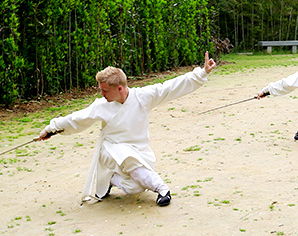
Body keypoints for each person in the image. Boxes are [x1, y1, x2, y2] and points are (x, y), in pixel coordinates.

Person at [38, 51, 217, 206]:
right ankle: (163, 189)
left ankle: (110, 179)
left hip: (139, 150)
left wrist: (201, 73)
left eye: (105, 90)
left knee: (136, 186)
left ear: (120, 88)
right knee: (129, 159)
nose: (101, 94)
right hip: (110, 150)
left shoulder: (143, 96)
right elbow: (76, 118)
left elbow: (170, 87)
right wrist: (51, 129)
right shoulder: (101, 105)